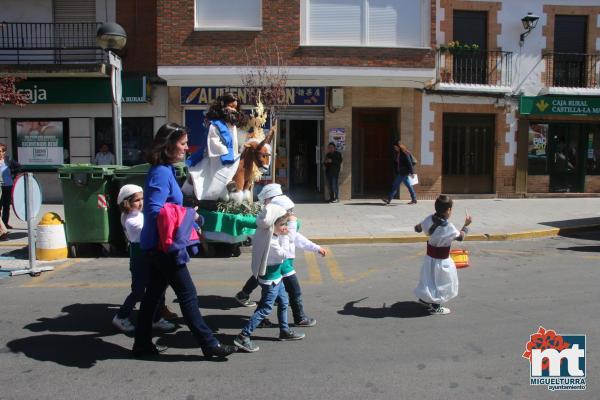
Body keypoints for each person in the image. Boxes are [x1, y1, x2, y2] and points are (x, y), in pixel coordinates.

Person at [132, 122, 237, 359]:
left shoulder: (166, 169)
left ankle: (141, 344)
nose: (186, 148)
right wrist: (191, 215)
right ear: (168, 146)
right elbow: (155, 210)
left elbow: (170, 204)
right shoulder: (160, 172)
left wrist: (188, 208)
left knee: (152, 297)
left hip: (158, 243)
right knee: (188, 294)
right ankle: (209, 344)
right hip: (163, 245)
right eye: (182, 143)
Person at [233, 204, 305, 353]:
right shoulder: (271, 241)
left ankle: (284, 331)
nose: (284, 226)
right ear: (273, 224)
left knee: (284, 301)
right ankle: (243, 336)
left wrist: (281, 233)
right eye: (282, 224)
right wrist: (285, 236)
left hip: (275, 277)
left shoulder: (264, 232)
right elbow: (285, 255)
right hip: (271, 279)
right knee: (265, 308)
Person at [111, 184, 176, 334]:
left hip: (149, 254)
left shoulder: (137, 215)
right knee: (138, 291)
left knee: (157, 289)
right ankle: (121, 316)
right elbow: (152, 228)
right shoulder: (132, 221)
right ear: (126, 203)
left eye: (142, 198)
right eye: (136, 200)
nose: (141, 202)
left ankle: (156, 318)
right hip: (140, 256)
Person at [270, 194, 326, 327]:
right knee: (294, 291)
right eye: (289, 211)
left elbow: (297, 239)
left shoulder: (284, 226)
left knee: (272, 296)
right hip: (282, 266)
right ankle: (299, 318)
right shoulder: (276, 228)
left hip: (283, 265)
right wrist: (293, 223)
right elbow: (289, 239)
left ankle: (262, 319)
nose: (292, 214)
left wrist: (316, 248)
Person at [413, 195, 472, 315]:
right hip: (442, 260)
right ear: (449, 210)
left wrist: (421, 225)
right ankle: (436, 307)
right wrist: (466, 226)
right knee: (442, 282)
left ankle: (425, 299)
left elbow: (417, 228)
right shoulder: (448, 227)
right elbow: (460, 237)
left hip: (429, 258)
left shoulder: (429, 219)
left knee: (429, 279)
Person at [0, 143, 19, 229]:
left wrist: (13, 175)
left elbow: (18, 167)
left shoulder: (9, 160)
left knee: (6, 206)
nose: (0, 153)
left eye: (0, 151)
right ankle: (1, 226)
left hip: (8, 186)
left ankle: (5, 223)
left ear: (4, 152)